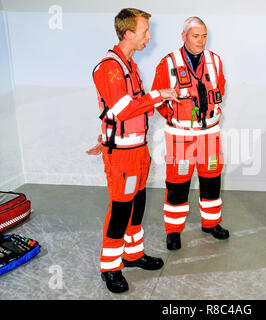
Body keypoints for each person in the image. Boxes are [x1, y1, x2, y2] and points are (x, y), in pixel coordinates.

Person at [90, 8, 179, 293]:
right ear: (129, 34)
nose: (149, 37)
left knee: (137, 204)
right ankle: (110, 268)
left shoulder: (130, 65)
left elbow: (127, 106)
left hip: (139, 150)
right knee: (120, 210)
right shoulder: (110, 67)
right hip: (123, 156)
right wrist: (159, 95)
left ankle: (133, 254)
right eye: (145, 32)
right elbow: (123, 108)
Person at [151, 17, 229, 251]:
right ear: (183, 36)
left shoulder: (215, 61)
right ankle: (173, 231)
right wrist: (176, 117)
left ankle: (211, 223)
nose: (201, 41)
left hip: (210, 134)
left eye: (204, 36)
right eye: (196, 36)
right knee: (178, 182)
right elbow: (158, 97)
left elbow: (220, 88)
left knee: (212, 180)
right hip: (181, 136)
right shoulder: (168, 63)